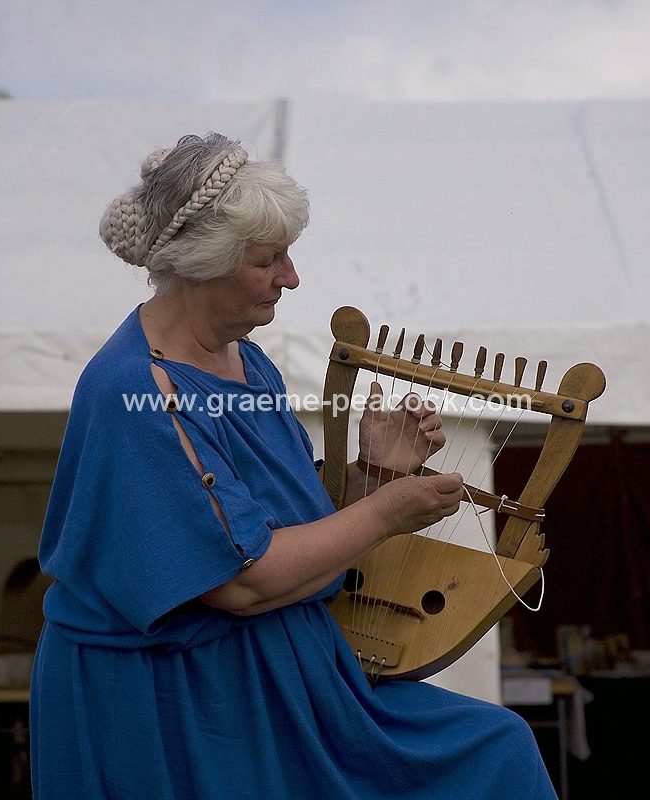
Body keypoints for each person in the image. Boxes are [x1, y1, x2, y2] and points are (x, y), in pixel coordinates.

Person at [30, 132, 558, 799]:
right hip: (180, 703)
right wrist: (386, 511)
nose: (291, 277)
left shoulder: (248, 363)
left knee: (495, 749)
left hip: (285, 679)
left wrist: (373, 472)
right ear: (202, 263)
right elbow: (241, 581)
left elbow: (275, 525)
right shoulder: (137, 391)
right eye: (267, 260)